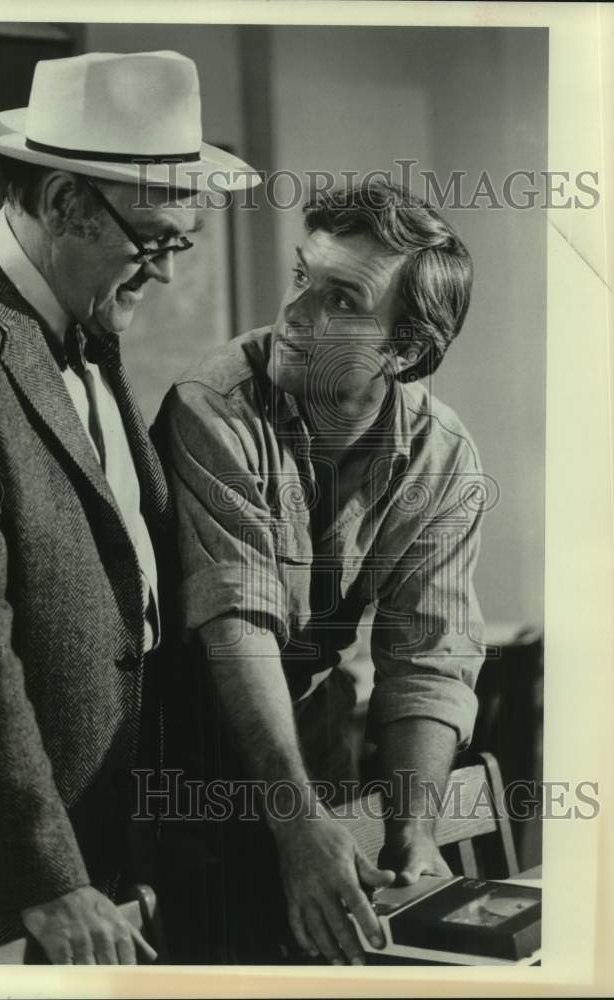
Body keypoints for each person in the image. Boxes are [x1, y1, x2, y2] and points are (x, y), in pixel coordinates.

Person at [0, 49, 259, 965]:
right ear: (65, 202)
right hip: (6, 893)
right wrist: (49, 878)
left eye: (180, 243)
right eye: (155, 242)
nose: (166, 273)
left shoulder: (83, 320)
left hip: (113, 854)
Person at [155, 178, 487, 964]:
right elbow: (239, 628)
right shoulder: (213, 407)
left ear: (404, 352)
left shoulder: (444, 457)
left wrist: (415, 830)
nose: (296, 315)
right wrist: (296, 822)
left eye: (343, 301)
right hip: (179, 761)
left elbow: (430, 658)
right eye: (303, 278)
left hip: (315, 739)